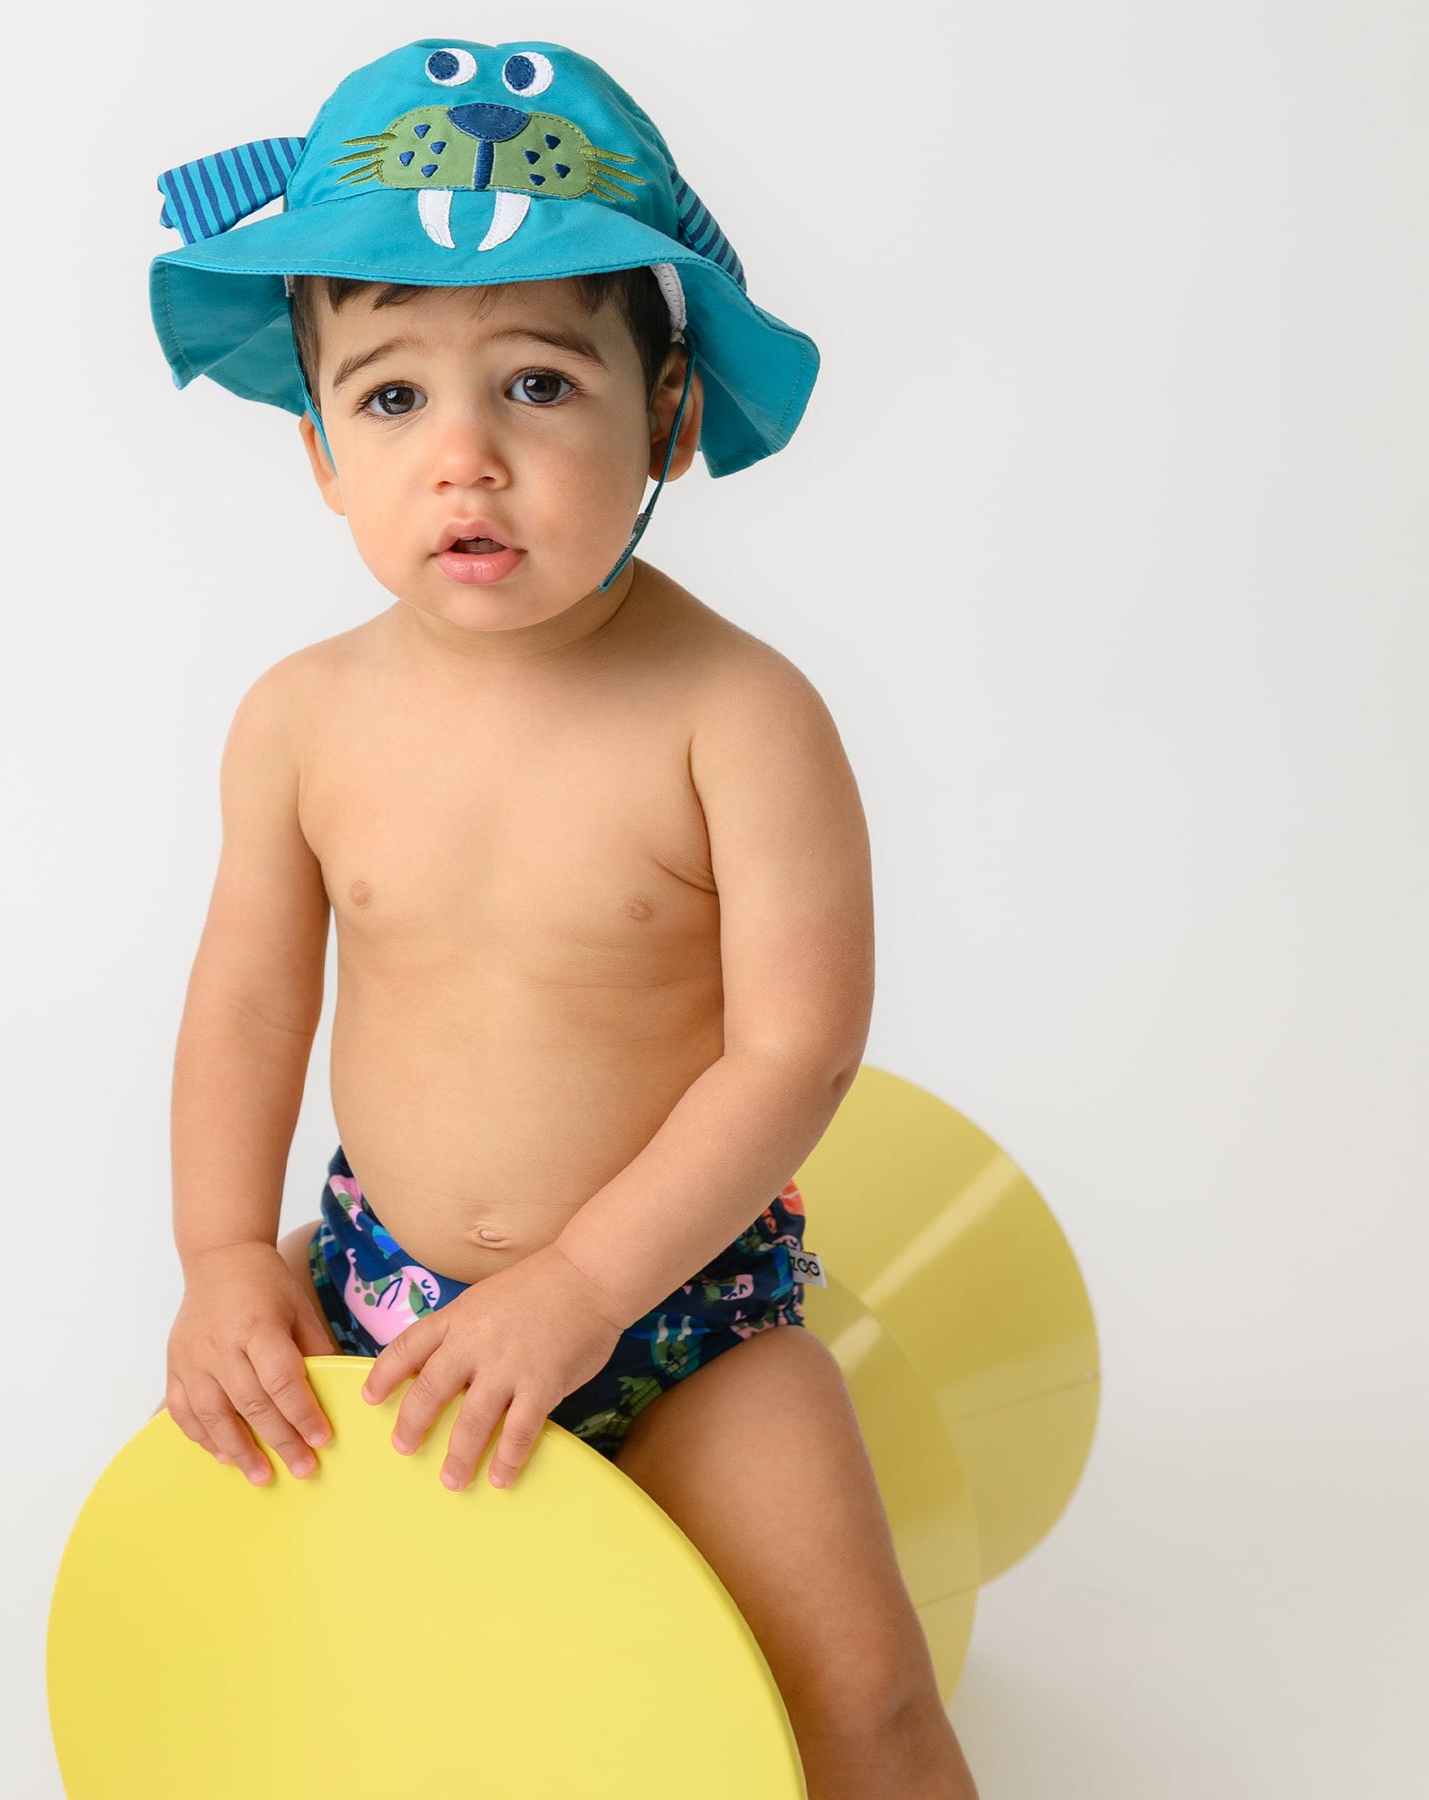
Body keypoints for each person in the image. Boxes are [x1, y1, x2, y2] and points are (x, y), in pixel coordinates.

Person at [152, 38, 980, 1798]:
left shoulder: (737, 716)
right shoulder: (299, 720)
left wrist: (591, 1289)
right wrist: (225, 1259)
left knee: (857, 1690)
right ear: (318, 451)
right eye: (393, 398)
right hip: (379, 1297)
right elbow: (247, 1006)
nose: (464, 459)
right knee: (332, 1663)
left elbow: (796, 1050)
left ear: (666, 416)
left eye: (536, 384)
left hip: (682, 1319)